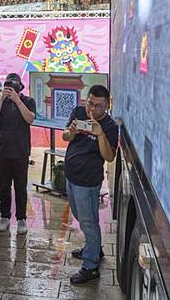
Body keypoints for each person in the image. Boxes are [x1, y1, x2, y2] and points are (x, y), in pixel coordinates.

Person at [61, 85, 118, 284]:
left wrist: (100, 133)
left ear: (107, 106)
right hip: (71, 176)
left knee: (88, 222)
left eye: (98, 106)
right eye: (90, 104)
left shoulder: (110, 126)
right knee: (80, 216)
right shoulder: (78, 112)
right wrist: (73, 131)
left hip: (88, 181)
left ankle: (90, 266)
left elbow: (109, 157)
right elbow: (65, 137)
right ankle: (95, 248)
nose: (92, 110)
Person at [0, 73, 36, 235]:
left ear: (20, 87)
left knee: (21, 187)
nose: (11, 90)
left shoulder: (28, 101)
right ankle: (4, 217)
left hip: (21, 151)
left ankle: (21, 219)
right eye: (8, 87)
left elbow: (30, 119)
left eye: (14, 87)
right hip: (2, 150)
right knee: (3, 186)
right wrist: (1, 99)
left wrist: (17, 100)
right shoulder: (1, 102)